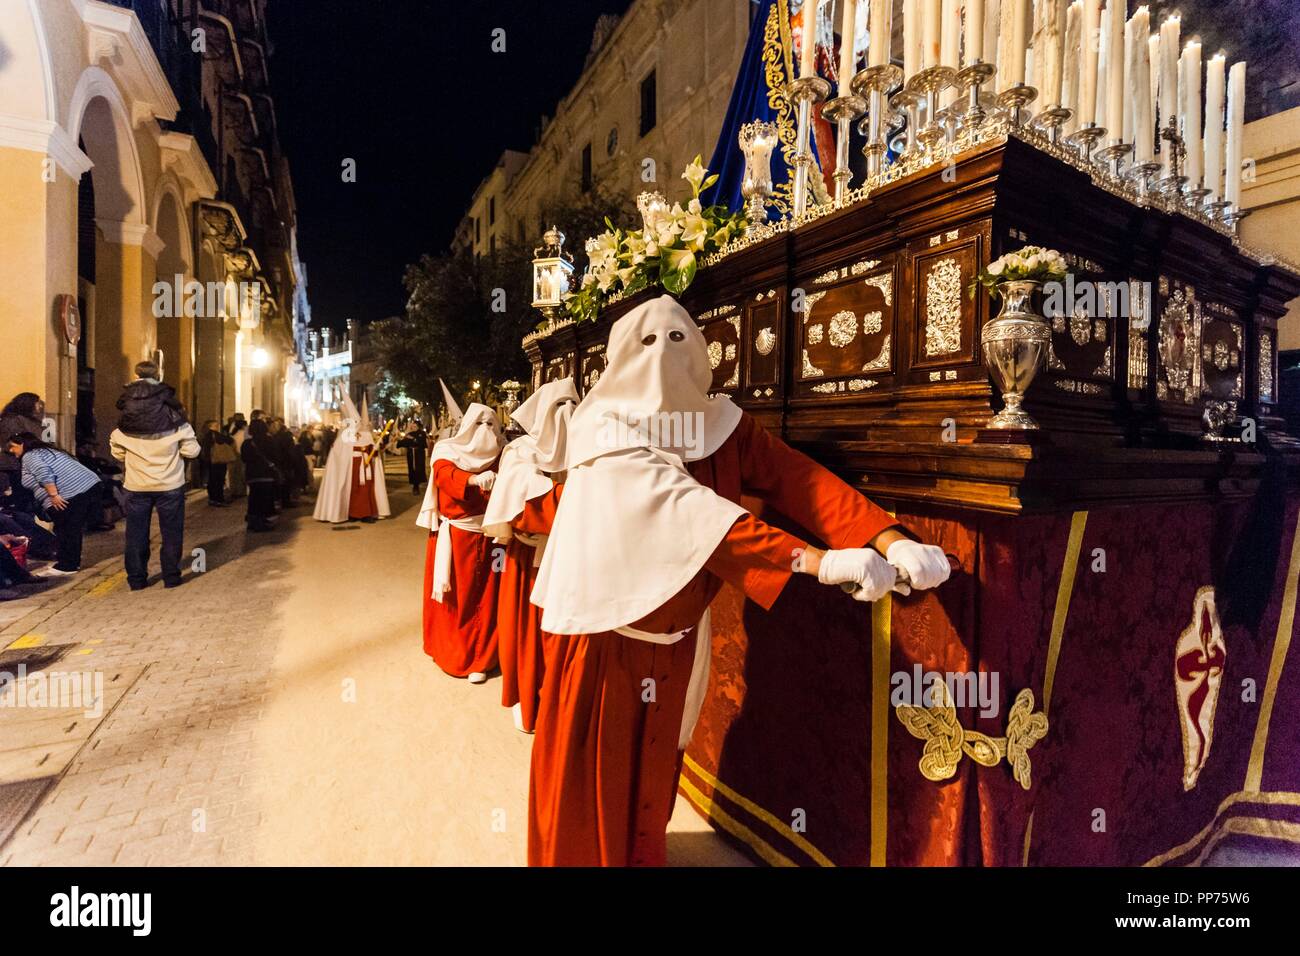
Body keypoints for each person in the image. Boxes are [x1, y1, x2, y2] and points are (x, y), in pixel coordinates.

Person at [526, 296, 952, 866]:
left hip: (677, 638)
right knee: (591, 786)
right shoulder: (604, 429)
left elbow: (797, 478)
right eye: (645, 343)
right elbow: (693, 515)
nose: (662, 357)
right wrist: (818, 562)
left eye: (678, 339)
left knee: (651, 779)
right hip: (605, 636)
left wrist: (886, 536)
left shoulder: (722, 425)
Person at [482, 379, 577, 733]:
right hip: (530, 561)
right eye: (557, 407)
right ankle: (528, 698)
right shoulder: (521, 452)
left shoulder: (591, 450)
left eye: (572, 406)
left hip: (572, 559)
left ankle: (561, 705)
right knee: (529, 635)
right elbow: (526, 509)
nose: (566, 415)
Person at [417, 403, 504, 683]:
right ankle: (454, 652)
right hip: (457, 537)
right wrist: (472, 479)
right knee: (457, 599)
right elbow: (444, 475)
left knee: (488, 599)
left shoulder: (503, 452)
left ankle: (483, 656)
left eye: (491, 424)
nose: (486, 430)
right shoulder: (447, 450)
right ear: (467, 426)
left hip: (491, 535)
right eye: (479, 424)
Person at [109, 409, 200, 590]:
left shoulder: (122, 431)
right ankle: (171, 577)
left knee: (136, 534)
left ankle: (136, 580)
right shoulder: (179, 427)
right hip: (170, 485)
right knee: (171, 533)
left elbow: (118, 454)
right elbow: (192, 452)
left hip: (137, 485)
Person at [7, 432, 103, 577]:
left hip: (72, 492)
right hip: (87, 487)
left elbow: (43, 472)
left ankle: (67, 565)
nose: (10, 450)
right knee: (69, 528)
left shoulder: (30, 456)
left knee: (66, 528)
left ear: (22, 444)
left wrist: (53, 495)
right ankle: (70, 561)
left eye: (12, 446)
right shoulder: (47, 451)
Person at [313, 397, 392, 523]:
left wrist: (374, 448)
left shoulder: (366, 434)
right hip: (351, 468)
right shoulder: (344, 437)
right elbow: (338, 454)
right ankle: (352, 513)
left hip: (366, 467)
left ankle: (366, 513)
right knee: (352, 490)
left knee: (366, 490)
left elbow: (373, 451)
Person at [0, 392, 46, 513]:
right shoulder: (12, 421)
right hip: (15, 466)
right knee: (22, 504)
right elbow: (15, 442)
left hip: (26, 465)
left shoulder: (29, 420)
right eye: (37, 403)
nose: (39, 406)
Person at [115, 361, 188, 436]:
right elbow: (176, 405)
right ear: (156, 375)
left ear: (136, 375)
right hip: (157, 429)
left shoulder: (129, 390)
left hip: (130, 429)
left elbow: (119, 405)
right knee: (183, 425)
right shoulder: (161, 389)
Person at [241, 418, 279, 532]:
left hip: (253, 475)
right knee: (265, 498)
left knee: (253, 498)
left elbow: (244, 458)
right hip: (267, 474)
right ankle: (262, 521)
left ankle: (253, 521)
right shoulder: (270, 441)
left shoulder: (247, 443)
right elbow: (276, 456)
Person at [201, 420, 236, 507]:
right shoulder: (216, 435)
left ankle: (212, 499)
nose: (218, 426)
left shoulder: (205, 435)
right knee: (219, 480)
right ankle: (219, 499)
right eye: (216, 425)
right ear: (211, 426)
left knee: (211, 480)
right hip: (218, 461)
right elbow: (230, 440)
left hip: (209, 461)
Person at [396, 421, 430, 494]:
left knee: (418, 469)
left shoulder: (422, 433)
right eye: (412, 426)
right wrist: (398, 440)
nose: (413, 427)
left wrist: (413, 438)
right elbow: (404, 443)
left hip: (419, 454)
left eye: (414, 426)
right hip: (411, 454)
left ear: (418, 426)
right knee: (412, 469)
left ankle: (417, 485)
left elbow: (422, 443)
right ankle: (415, 486)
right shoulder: (409, 434)